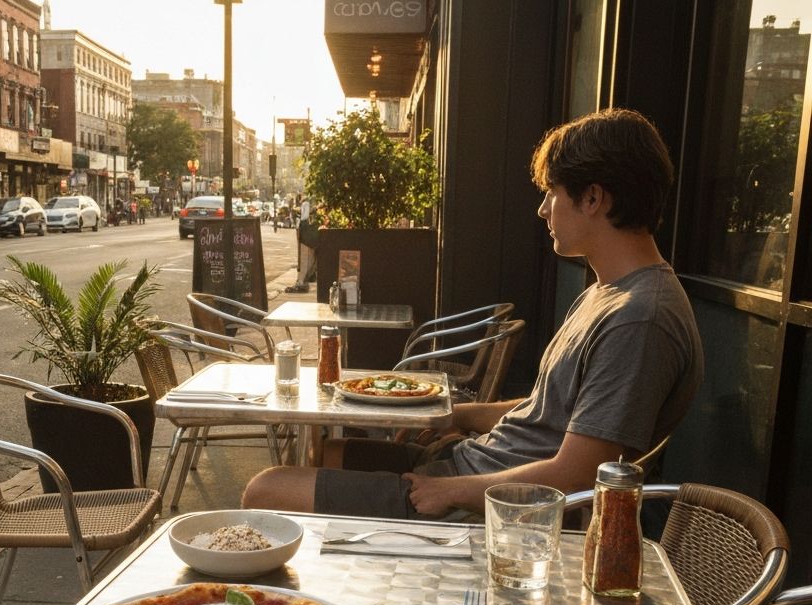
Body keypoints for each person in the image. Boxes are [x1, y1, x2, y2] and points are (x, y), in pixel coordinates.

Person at [242, 107, 704, 521]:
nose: (542, 209)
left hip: (490, 510)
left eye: (552, 192)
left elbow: (577, 475)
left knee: (266, 489)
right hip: (473, 466)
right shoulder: (605, 294)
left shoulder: (640, 320)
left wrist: (450, 491)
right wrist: (453, 414)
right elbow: (545, 413)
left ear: (592, 199)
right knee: (332, 451)